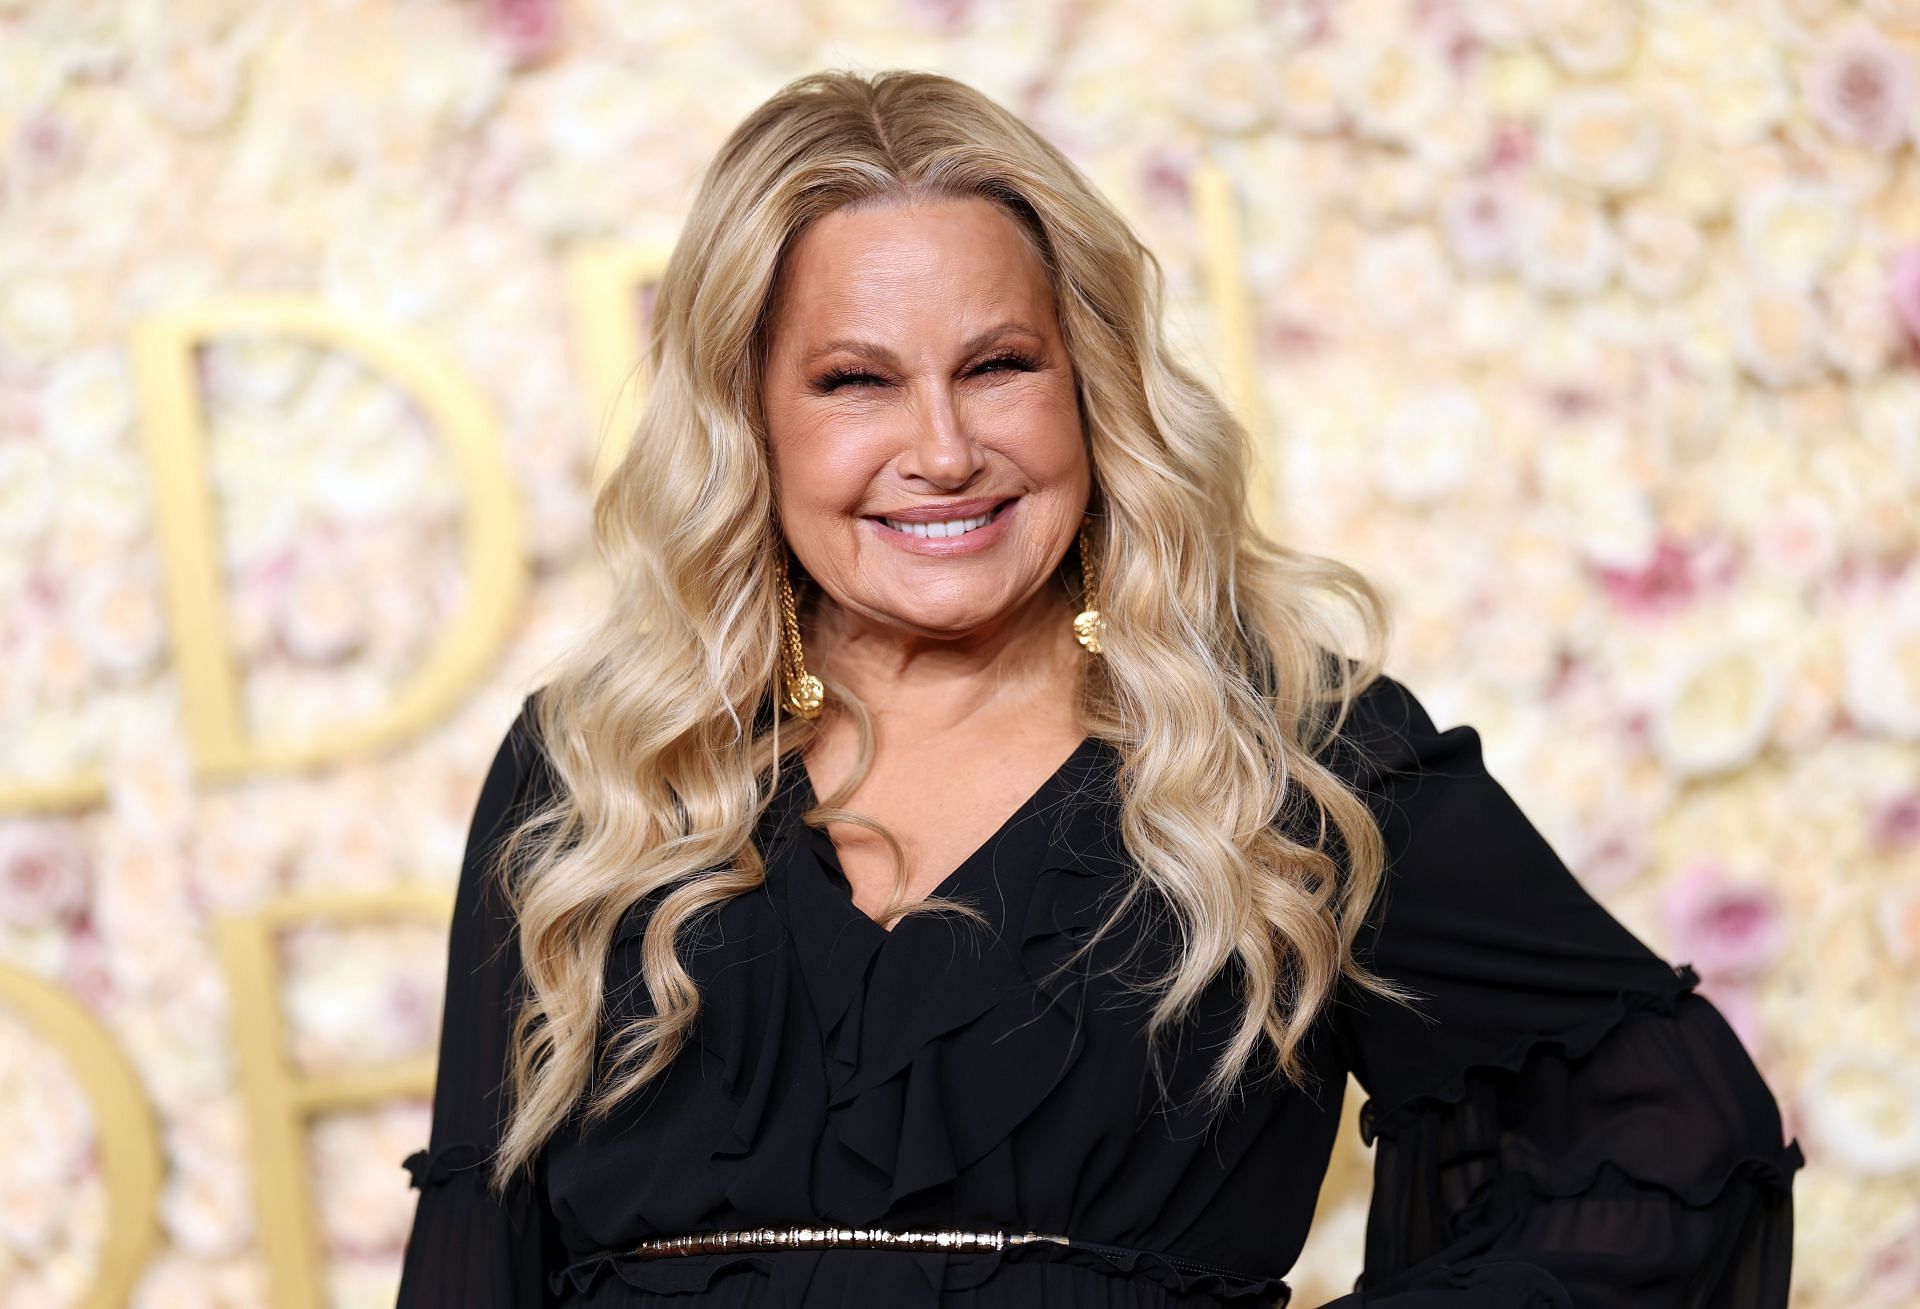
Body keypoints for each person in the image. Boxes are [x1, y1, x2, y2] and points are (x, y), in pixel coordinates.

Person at [394, 69, 1803, 1308]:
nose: (942, 449)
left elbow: (1672, 1133)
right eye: (855, 381)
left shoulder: (1289, 758)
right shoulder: (601, 765)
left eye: (1000, 365)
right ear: (749, 417)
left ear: (1093, 387)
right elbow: (473, 1256)